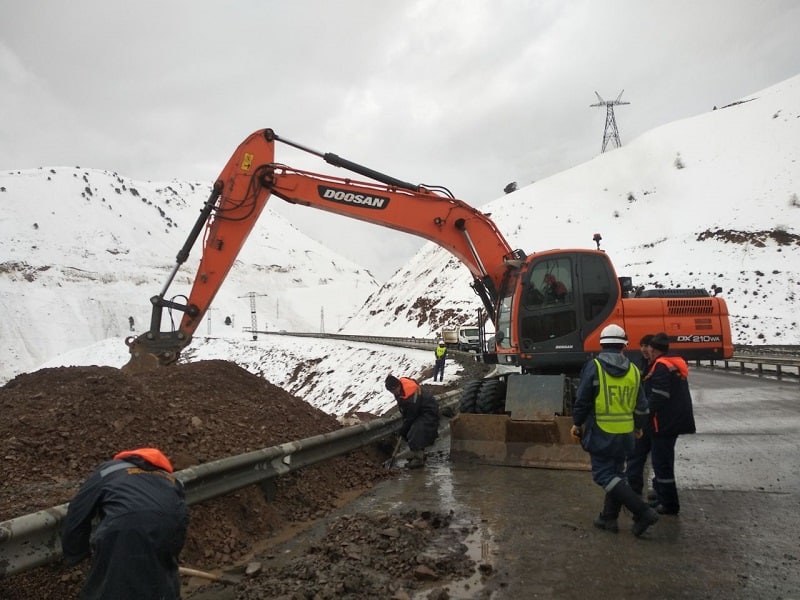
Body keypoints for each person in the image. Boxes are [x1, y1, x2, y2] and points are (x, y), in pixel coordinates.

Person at [61, 447, 189, 600]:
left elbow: (79, 508)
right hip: (172, 524)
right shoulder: (172, 480)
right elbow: (179, 517)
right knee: (162, 579)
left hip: (125, 524)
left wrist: (76, 552)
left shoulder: (108, 470)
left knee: (109, 584)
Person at [571, 324, 659, 537]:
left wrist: (576, 423)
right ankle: (608, 518)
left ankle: (643, 511)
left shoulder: (595, 367)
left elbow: (583, 400)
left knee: (603, 474)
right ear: (624, 345)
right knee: (617, 474)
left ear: (602, 344)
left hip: (602, 431)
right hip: (626, 433)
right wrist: (638, 427)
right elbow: (642, 406)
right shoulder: (634, 370)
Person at [646, 332, 696, 515]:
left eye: (649, 348)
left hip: (664, 422)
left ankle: (669, 504)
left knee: (662, 463)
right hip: (675, 420)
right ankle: (661, 497)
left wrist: (645, 413)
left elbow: (659, 395)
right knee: (664, 460)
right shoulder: (674, 363)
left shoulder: (661, 366)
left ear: (653, 349)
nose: (647, 351)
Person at [385, 374, 440, 469]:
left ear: (397, 386)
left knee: (415, 431)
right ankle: (419, 454)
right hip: (418, 411)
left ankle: (419, 459)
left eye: (394, 390)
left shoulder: (410, 395)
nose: (393, 393)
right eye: (391, 391)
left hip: (428, 411)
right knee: (409, 430)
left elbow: (411, 416)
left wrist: (404, 429)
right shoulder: (401, 390)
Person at [625, 333, 655, 498]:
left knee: (659, 460)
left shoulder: (660, 367)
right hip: (642, 420)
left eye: (647, 346)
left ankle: (660, 492)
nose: (644, 349)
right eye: (642, 345)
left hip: (654, 421)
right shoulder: (639, 365)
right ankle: (634, 492)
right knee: (635, 457)